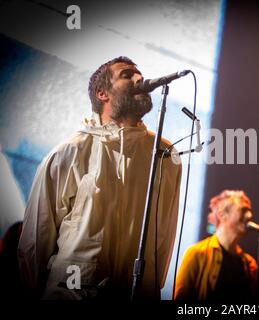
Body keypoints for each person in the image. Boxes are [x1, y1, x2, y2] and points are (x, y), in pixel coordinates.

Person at [17, 56, 182, 300]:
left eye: (139, 73)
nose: (139, 78)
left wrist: (150, 286)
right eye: (127, 75)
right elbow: (35, 242)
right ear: (102, 93)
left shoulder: (165, 155)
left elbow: (164, 234)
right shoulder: (69, 152)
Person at [174, 190, 257, 300]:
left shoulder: (250, 264)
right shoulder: (197, 254)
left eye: (249, 211)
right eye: (243, 210)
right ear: (222, 215)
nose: (249, 215)